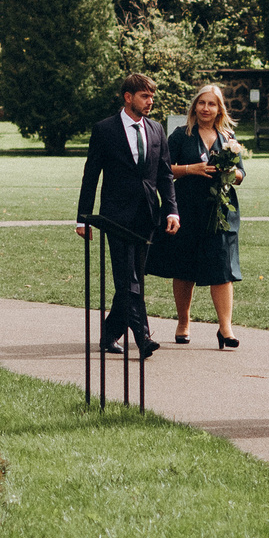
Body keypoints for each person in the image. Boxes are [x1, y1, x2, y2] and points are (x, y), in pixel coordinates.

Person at [75, 72, 179, 358]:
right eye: (145, 96)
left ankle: (109, 334)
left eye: (152, 97)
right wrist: (83, 217)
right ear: (128, 97)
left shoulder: (157, 130)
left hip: (147, 215)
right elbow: (91, 176)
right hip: (115, 216)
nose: (150, 102)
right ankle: (143, 337)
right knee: (126, 277)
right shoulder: (104, 130)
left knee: (135, 279)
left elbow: (165, 175)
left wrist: (172, 210)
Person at [150, 82, 246, 348]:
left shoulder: (228, 137)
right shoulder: (181, 135)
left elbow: (241, 174)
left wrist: (230, 173)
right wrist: (192, 169)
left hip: (221, 210)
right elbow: (164, 169)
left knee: (223, 267)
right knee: (184, 266)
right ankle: (183, 321)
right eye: (202, 103)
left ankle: (226, 329)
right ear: (195, 107)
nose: (206, 108)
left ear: (219, 109)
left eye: (212, 104)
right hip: (187, 207)